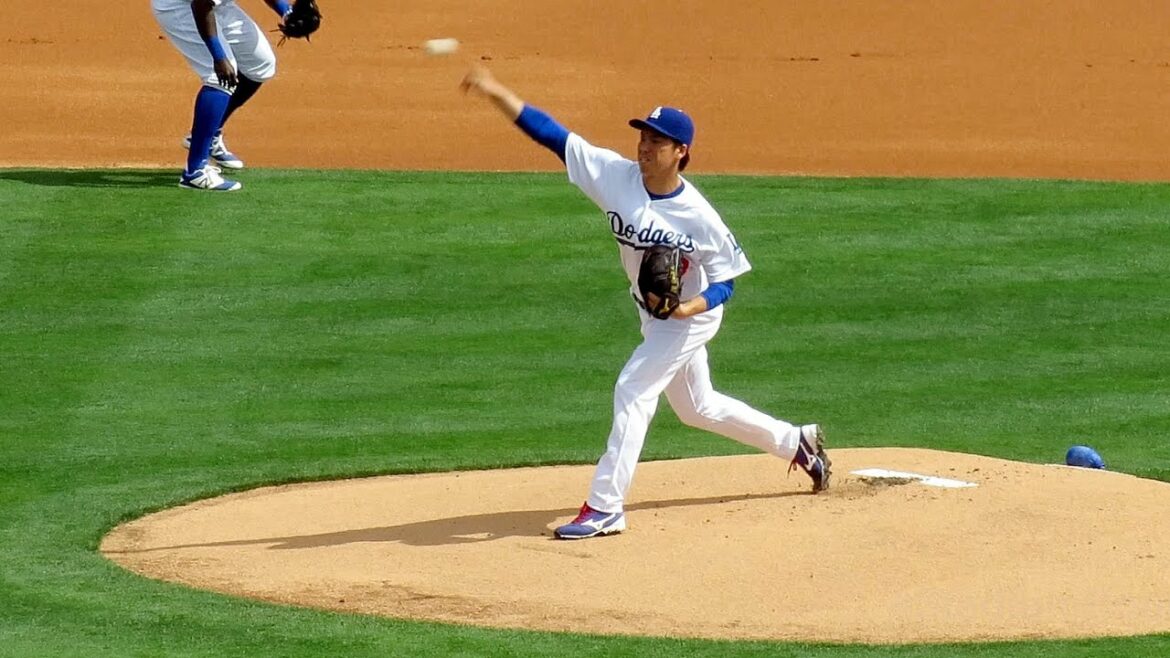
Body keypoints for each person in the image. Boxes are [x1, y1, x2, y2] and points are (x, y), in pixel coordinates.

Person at [460, 65, 832, 540]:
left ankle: (605, 507)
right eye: (642, 137)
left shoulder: (699, 216)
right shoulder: (616, 177)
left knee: (634, 389)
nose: (644, 147)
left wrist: (687, 310)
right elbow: (553, 135)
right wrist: (495, 91)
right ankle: (795, 442)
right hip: (651, 313)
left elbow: (727, 281)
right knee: (699, 408)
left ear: (681, 152)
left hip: (690, 318)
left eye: (657, 141)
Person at [152, 0, 289, 191]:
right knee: (219, 77)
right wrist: (218, 56)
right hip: (180, 7)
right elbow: (200, 5)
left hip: (214, 6)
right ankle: (195, 172)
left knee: (260, 64)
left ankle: (207, 135)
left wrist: (287, 13)